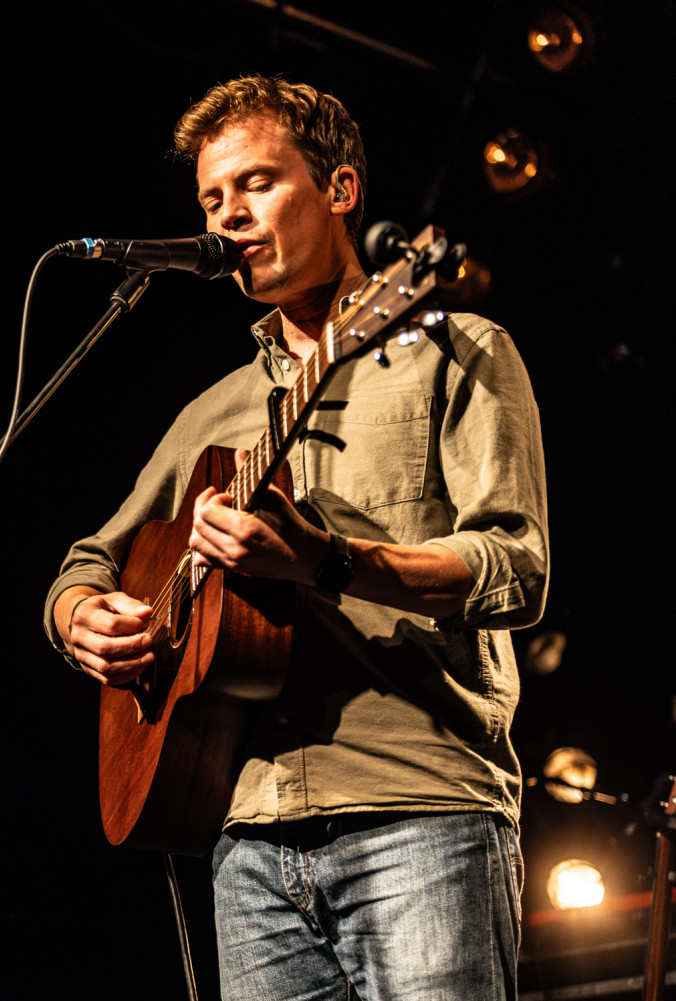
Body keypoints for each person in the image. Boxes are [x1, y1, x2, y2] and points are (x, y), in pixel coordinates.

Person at [45, 77, 548, 1000]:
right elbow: (87, 560)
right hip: (242, 835)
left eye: (257, 184)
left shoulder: (456, 349)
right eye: (209, 199)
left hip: (419, 809)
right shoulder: (217, 409)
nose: (228, 215)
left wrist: (325, 560)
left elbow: (516, 568)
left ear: (341, 190)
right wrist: (82, 617)